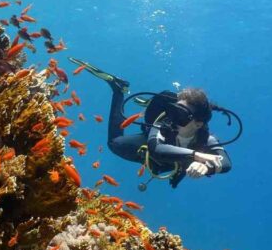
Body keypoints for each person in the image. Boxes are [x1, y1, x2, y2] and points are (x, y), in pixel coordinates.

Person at [72, 58, 233, 189]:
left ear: (198, 123)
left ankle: (150, 103)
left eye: (181, 114)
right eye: (173, 110)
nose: (173, 118)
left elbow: (225, 164)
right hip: (150, 147)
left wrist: (208, 167)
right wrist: (195, 155)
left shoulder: (205, 140)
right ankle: (119, 90)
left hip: (167, 163)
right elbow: (156, 149)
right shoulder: (164, 124)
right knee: (114, 144)